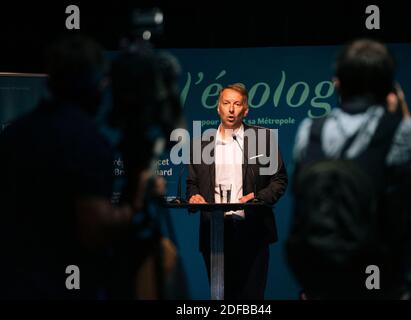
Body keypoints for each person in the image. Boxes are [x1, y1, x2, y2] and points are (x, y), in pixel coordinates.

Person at [288, 39, 411, 299]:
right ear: (390, 87)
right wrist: (403, 116)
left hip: (323, 283)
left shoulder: (310, 130)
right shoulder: (409, 131)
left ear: (337, 82)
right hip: (391, 283)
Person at [0, 35, 149, 299]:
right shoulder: (86, 141)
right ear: (96, 85)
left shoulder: (14, 133)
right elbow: (95, 229)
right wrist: (135, 204)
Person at [186, 83, 288, 300]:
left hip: (252, 230)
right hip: (215, 232)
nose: (231, 109)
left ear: (245, 110)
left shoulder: (262, 139)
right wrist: (194, 197)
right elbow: (191, 184)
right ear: (218, 108)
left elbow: (279, 180)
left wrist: (259, 198)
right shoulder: (201, 144)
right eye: (226, 103)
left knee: (252, 299)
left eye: (237, 104)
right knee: (222, 298)